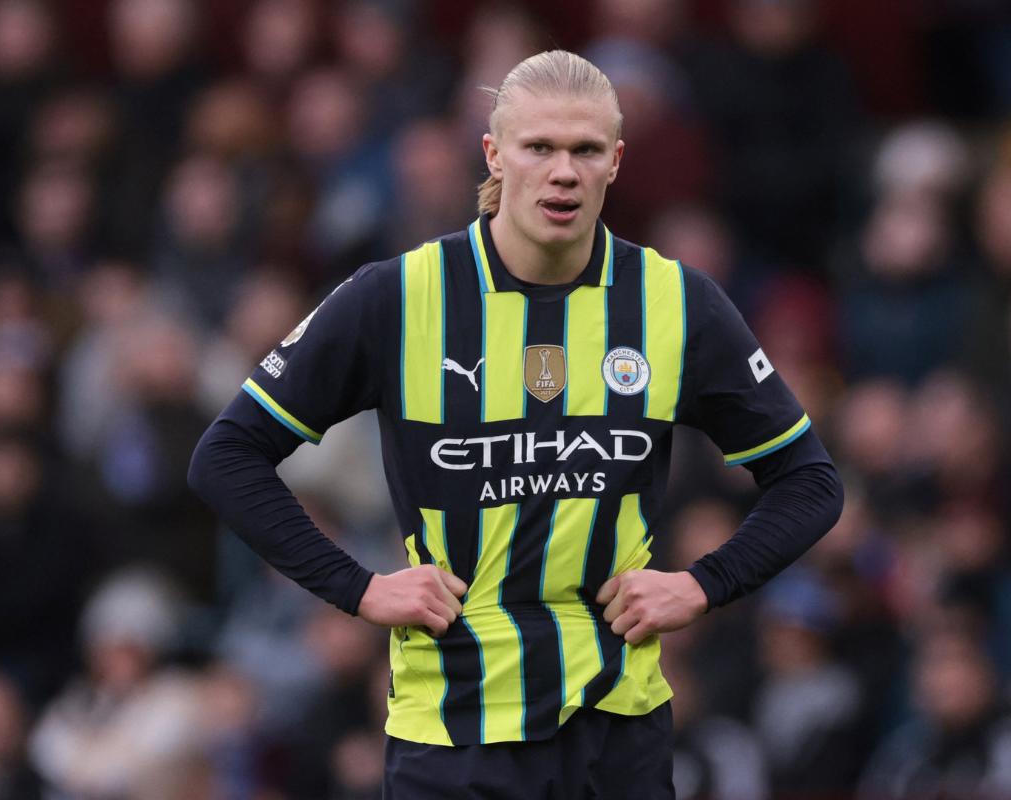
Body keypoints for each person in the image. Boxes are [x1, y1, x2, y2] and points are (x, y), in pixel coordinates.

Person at [189, 49, 843, 799]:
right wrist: (359, 588)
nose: (563, 172)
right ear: (495, 154)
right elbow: (227, 455)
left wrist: (703, 584)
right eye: (540, 148)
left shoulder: (674, 302)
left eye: (586, 150)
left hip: (617, 733)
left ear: (616, 162)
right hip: (453, 737)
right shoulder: (397, 298)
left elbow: (811, 482)